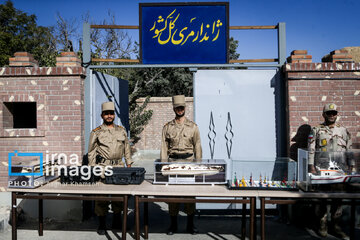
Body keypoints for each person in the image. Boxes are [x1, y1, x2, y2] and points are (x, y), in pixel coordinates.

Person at [308, 103, 353, 240]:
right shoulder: (316, 130)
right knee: (322, 198)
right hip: (322, 169)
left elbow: (349, 150)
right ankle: (322, 224)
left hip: (339, 170)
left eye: (334, 113)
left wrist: (350, 166)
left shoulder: (343, 131)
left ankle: (336, 226)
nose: (332, 115)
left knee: (337, 199)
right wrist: (311, 165)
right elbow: (311, 148)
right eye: (329, 113)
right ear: (324, 114)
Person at [88, 101, 133, 235]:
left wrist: (128, 165)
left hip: (119, 166)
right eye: (106, 114)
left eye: (111, 114)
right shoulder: (96, 132)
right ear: (102, 115)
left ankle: (117, 221)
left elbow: (126, 148)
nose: (109, 116)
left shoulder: (121, 130)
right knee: (101, 197)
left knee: (118, 195)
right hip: (103, 167)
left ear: (114, 115)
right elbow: (91, 152)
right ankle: (102, 224)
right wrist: (92, 168)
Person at [160, 95, 202, 235]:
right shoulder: (167, 127)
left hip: (189, 162)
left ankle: (191, 225)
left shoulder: (193, 127)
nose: (180, 110)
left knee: (190, 195)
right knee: (173, 196)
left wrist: (198, 164)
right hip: (173, 162)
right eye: (177, 107)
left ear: (185, 108)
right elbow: (164, 147)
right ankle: (173, 225)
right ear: (174, 108)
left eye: (182, 107)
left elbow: (197, 145)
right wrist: (163, 165)